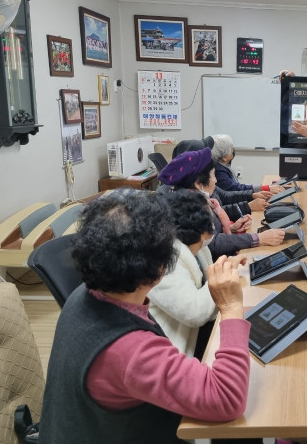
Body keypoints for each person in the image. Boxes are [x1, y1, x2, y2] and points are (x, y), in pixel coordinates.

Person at [38, 189, 251, 443]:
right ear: (161, 269)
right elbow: (228, 398)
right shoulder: (131, 351)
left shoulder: (82, 296)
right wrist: (231, 308)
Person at [158, 147, 285, 258]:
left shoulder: (201, 198)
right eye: (213, 176)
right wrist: (258, 239)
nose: (216, 180)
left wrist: (232, 228)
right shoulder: (187, 208)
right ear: (198, 183)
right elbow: (212, 243)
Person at [148, 191, 217, 359]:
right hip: (171, 353)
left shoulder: (198, 250)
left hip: (196, 334)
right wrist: (220, 278)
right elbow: (195, 313)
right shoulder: (164, 261)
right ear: (202, 231)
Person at [170, 138, 271, 213]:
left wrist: (252, 195)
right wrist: (248, 206)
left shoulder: (201, 180)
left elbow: (225, 196)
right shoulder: (187, 198)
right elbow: (215, 218)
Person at [212, 134, 284, 194]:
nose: (233, 150)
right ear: (224, 158)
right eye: (231, 149)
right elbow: (237, 189)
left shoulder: (224, 164)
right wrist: (264, 188)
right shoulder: (219, 173)